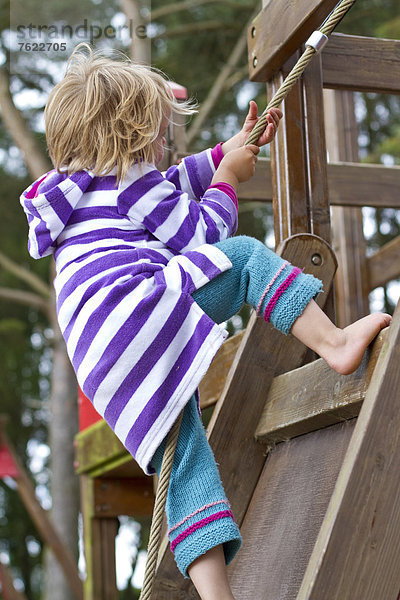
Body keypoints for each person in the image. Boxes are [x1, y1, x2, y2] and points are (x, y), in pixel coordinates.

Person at [20, 44, 391, 600]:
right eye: (157, 134)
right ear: (131, 136)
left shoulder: (81, 191)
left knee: (188, 461)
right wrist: (226, 182)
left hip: (105, 362)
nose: (165, 145)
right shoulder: (133, 184)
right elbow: (201, 235)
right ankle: (335, 343)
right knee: (242, 259)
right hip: (139, 317)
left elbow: (167, 182)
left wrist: (226, 153)